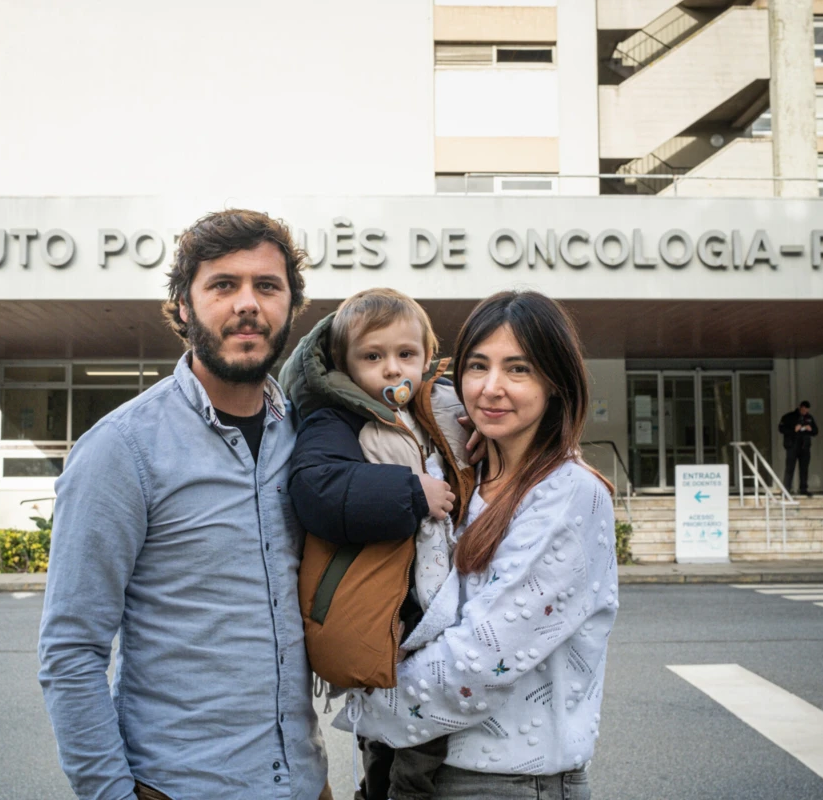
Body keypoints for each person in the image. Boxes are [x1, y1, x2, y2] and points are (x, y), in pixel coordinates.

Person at [37, 210, 330, 800]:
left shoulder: (307, 437)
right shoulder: (122, 449)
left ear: (291, 306)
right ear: (183, 306)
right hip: (180, 785)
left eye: (267, 286)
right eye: (223, 285)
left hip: (303, 780)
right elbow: (72, 651)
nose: (247, 304)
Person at [335, 290, 618, 800]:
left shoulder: (569, 494)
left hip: (506, 783)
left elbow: (480, 662)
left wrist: (367, 696)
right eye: (478, 366)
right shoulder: (458, 474)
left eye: (518, 369)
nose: (491, 388)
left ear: (556, 382)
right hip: (409, 766)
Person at [281, 288, 477, 800]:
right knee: (402, 732)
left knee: (415, 727)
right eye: (372, 357)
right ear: (344, 366)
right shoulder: (338, 419)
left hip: (433, 595)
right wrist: (412, 493)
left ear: (427, 357)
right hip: (387, 606)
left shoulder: (437, 413)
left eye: (406, 354)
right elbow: (318, 488)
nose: (392, 369)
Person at [778, 401, 818, 497]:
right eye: (803, 409)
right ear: (800, 407)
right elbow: (781, 429)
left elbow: (816, 431)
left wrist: (810, 429)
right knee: (790, 468)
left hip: (805, 446)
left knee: (804, 468)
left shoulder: (809, 417)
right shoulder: (789, 417)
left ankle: (803, 488)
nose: (805, 411)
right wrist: (794, 429)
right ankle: (786, 489)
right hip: (792, 445)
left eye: (807, 409)